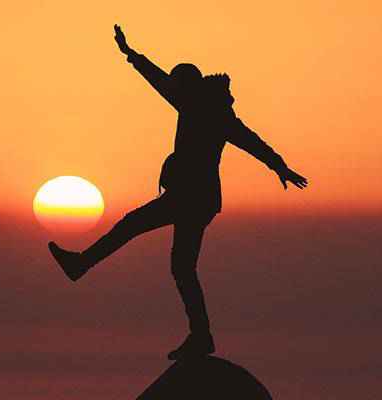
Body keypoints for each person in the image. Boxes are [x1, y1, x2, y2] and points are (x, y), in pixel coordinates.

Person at [49, 25, 308, 360]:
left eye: (178, 85)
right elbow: (249, 139)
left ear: (188, 85)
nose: (174, 91)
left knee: (135, 228)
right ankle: (200, 336)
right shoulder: (208, 107)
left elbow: (250, 141)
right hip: (198, 200)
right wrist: (131, 54)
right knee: (181, 266)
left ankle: (81, 265)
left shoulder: (202, 107)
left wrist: (279, 166)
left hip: (190, 198)